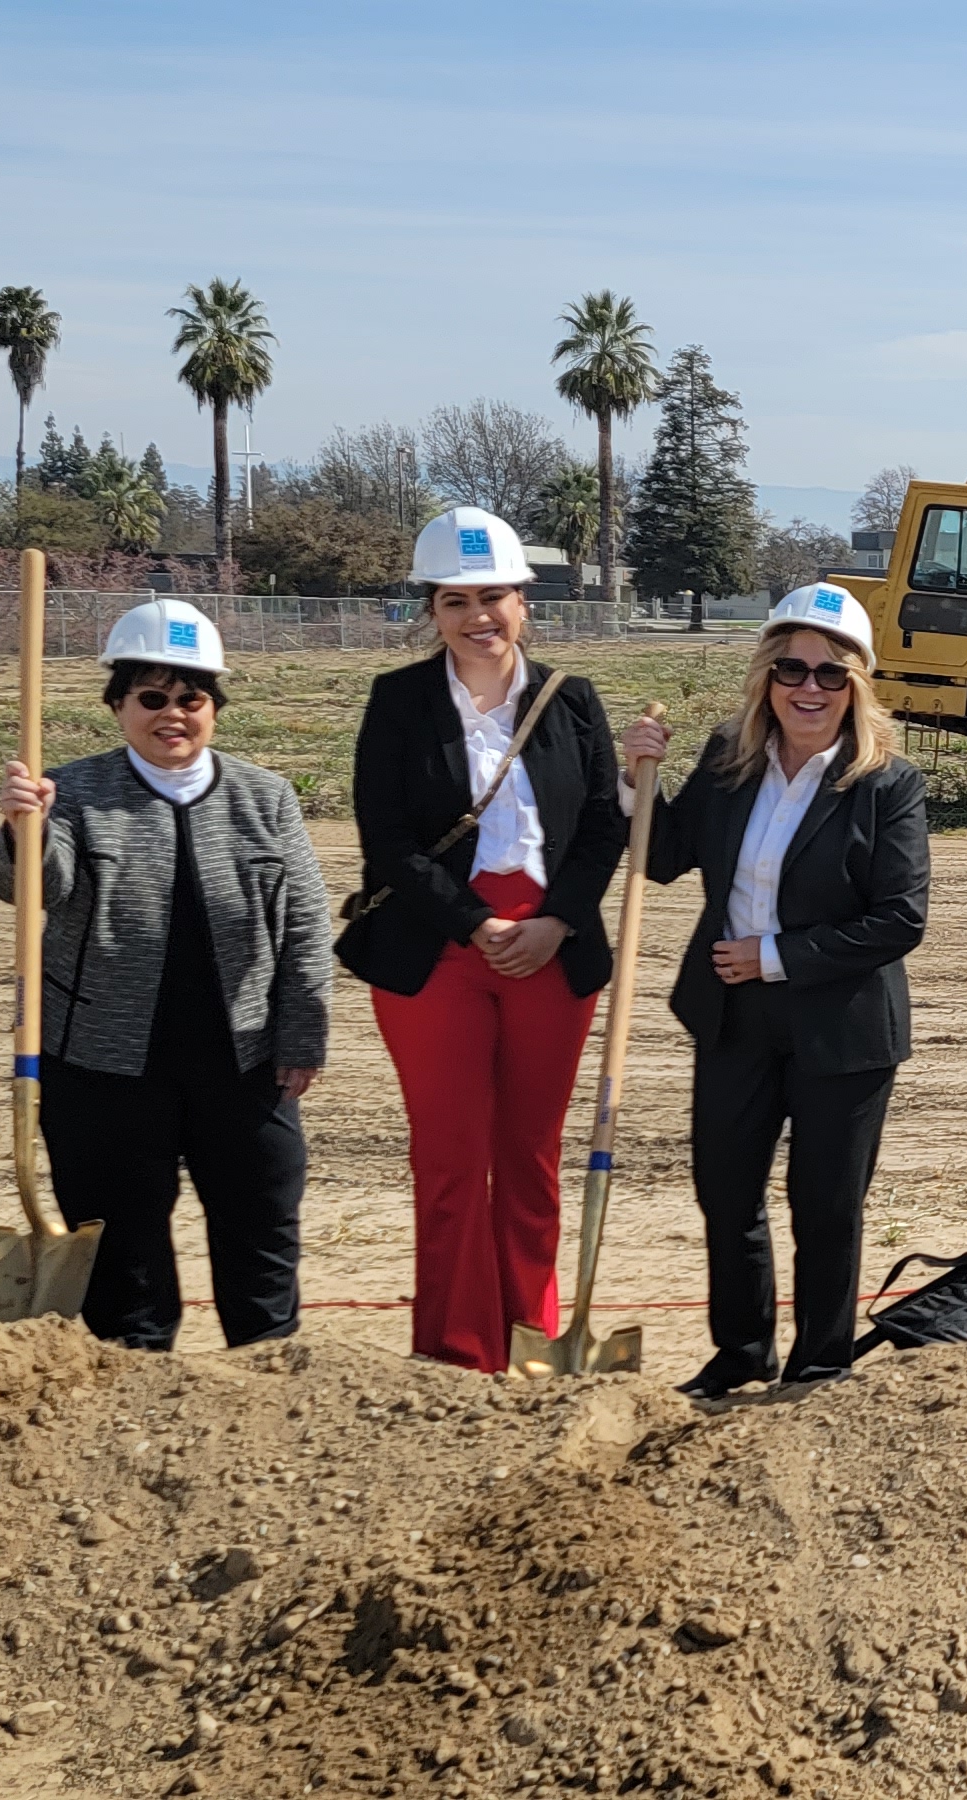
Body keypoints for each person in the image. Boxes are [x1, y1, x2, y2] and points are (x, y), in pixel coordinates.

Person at [0, 600, 333, 1350]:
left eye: (191, 698)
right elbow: (31, 891)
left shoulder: (264, 796)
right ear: (119, 706)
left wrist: (301, 1035)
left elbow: (305, 924)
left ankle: (268, 1376)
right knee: (124, 1256)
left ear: (214, 707)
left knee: (261, 1229)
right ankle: (135, 1386)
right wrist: (28, 828)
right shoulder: (73, 793)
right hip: (103, 1064)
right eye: (152, 697)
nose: (172, 714)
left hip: (242, 1061)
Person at [338, 506, 625, 1372]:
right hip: (436, 954)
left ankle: (531, 1337)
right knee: (453, 1159)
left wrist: (556, 921)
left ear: (525, 601)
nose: (477, 617)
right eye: (456, 600)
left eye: (492, 596)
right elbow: (383, 837)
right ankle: (458, 1352)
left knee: (530, 1158)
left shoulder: (570, 700)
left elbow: (606, 824)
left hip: (550, 947)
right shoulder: (397, 702)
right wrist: (477, 923)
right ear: (431, 610)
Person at [623, 585, 929, 1396]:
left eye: (832, 675)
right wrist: (638, 782)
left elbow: (899, 920)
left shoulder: (887, 785)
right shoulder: (730, 759)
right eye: (792, 667)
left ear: (859, 685)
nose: (810, 688)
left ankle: (819, 1361)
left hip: (844, 1028)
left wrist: (778, 955)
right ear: (766, 675)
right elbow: (662, 858)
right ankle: (740, 1351)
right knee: (726, 1195)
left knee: (825, 1207)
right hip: (733, 1017)